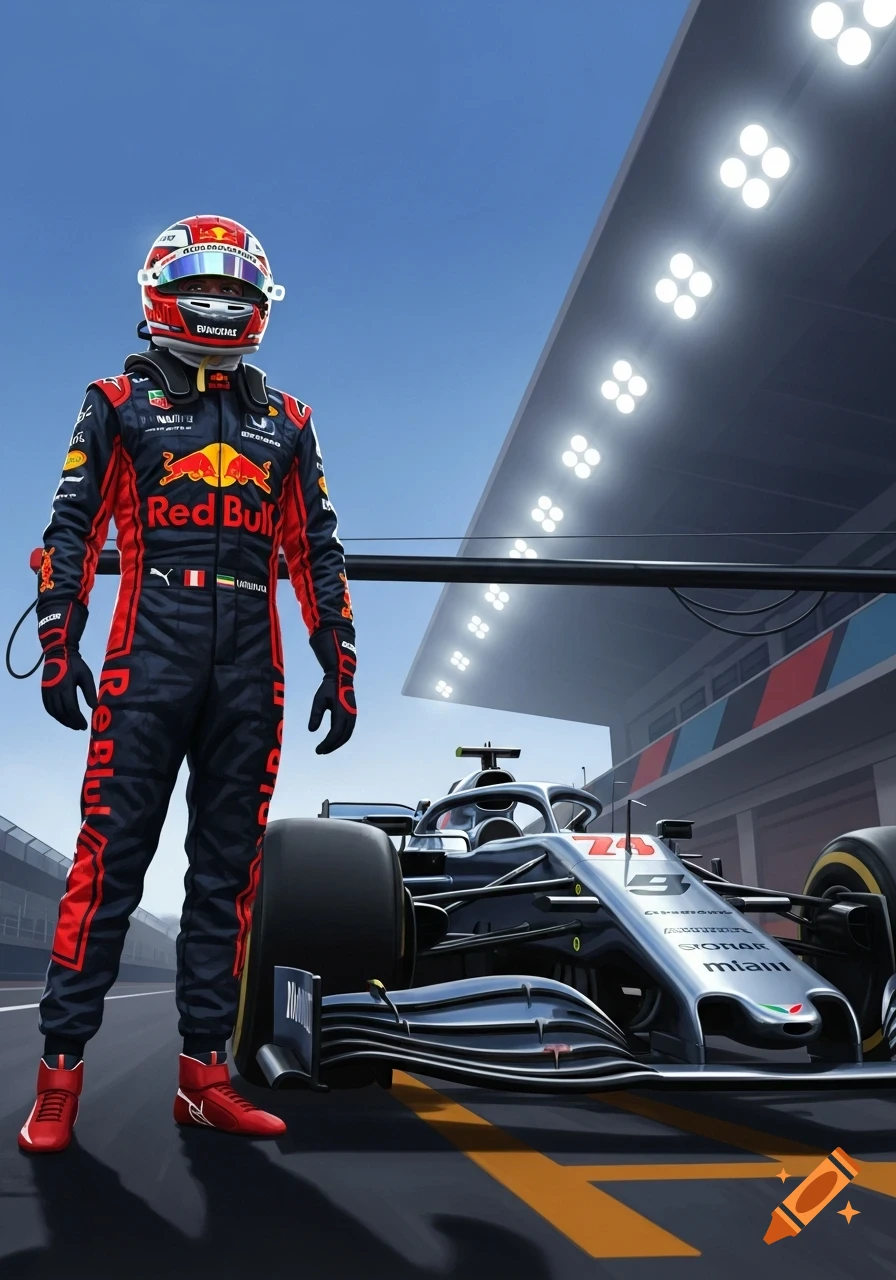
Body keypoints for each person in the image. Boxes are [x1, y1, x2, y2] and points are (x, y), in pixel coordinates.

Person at [19, 216, 357, 1153]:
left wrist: (343, 660)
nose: (223, 294)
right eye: (205, 278)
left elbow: (315, 549)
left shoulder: (288, 421)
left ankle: (204, 1079)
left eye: (240, 281)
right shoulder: (114, 400)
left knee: (227, 882)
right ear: (163, 284)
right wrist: (60, 638)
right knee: (108, 867)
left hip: (252, 662)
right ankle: (58, 1077)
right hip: (148, 651)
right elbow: (71, 527)